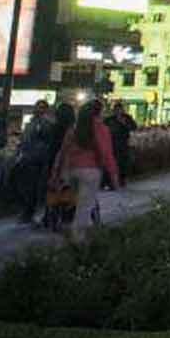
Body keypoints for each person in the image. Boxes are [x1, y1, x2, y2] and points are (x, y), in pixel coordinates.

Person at [49, 99, 118, 244]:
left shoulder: (74, 129)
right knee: (84, 208)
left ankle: (68, 230)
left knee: (71, 204)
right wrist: (113, 175)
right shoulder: (101, 129)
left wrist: (55, 174)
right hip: (90, 172)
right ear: (99, 112)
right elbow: (106, 153)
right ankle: (78, 242)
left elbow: (62, 153)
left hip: (71, 171)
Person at [10, 100, 56, 226]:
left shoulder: (47, 123)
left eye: (42, 108)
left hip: (37, 159)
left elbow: (47, 139)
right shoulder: (31, 122)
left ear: (46, 110)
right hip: (26, 157)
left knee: (32, 187)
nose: (38, 110)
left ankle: (29, 212)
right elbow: (25, 139)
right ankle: (26, 210)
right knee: (21, 184)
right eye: (37, 107)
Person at [103, 100, 136, 189]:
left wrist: (124, 122)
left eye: (119, 109)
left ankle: (121, 180)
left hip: (123, 144)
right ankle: (109, 182)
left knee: (122, 163)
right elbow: (103, 129)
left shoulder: (127, 118)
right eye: (115, 109)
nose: (117, 111)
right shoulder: (109, 119)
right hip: (111, 144)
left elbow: (133, 127)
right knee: (111, 163)